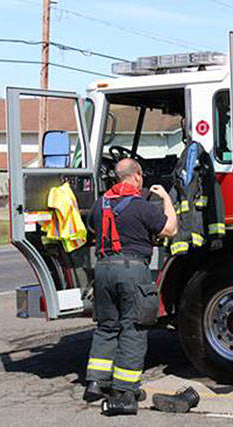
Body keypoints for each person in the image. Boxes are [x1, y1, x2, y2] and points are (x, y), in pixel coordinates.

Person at [83, 158, 177, 416]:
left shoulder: (100, 204)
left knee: (106, 326)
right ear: (136, 177)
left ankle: (95, 382)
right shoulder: (141, 206)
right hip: (132, 271)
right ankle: (125, 389)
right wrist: (166, 198)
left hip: (102, 270)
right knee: (134, 328)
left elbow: (92, 227)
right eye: (141, 176)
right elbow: (170, 228)